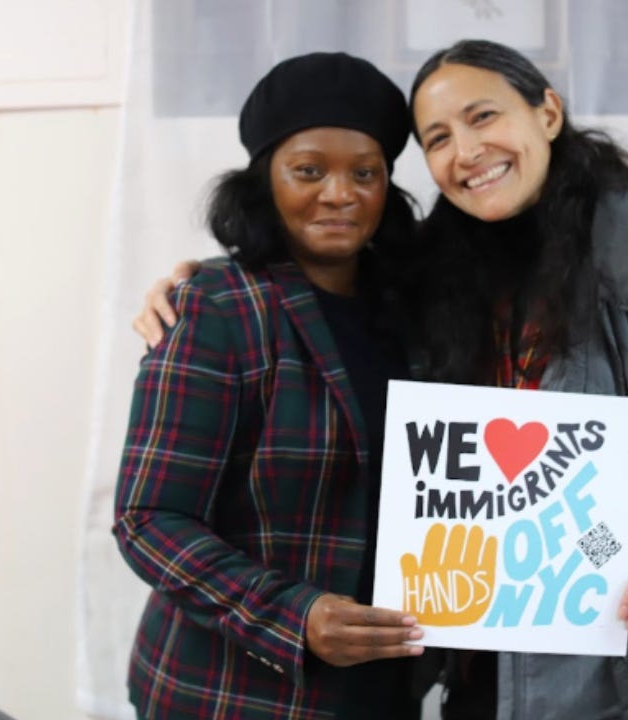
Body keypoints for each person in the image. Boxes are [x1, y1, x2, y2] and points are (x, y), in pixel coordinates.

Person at [134, 40, 628, 720]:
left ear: (547, 113)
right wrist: (204, 287)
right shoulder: (430, 281)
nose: (465, 151)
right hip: (471, 676)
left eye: (483, 117)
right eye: (437, 137)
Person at [112, 52, 427, 720]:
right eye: (309, 170)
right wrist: (295, 616)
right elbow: (148, 520)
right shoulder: (216, 307)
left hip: (381, 687)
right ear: (265, 182)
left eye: (365, 173)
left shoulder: (416, 312)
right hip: (235, 694)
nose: (340, 193)